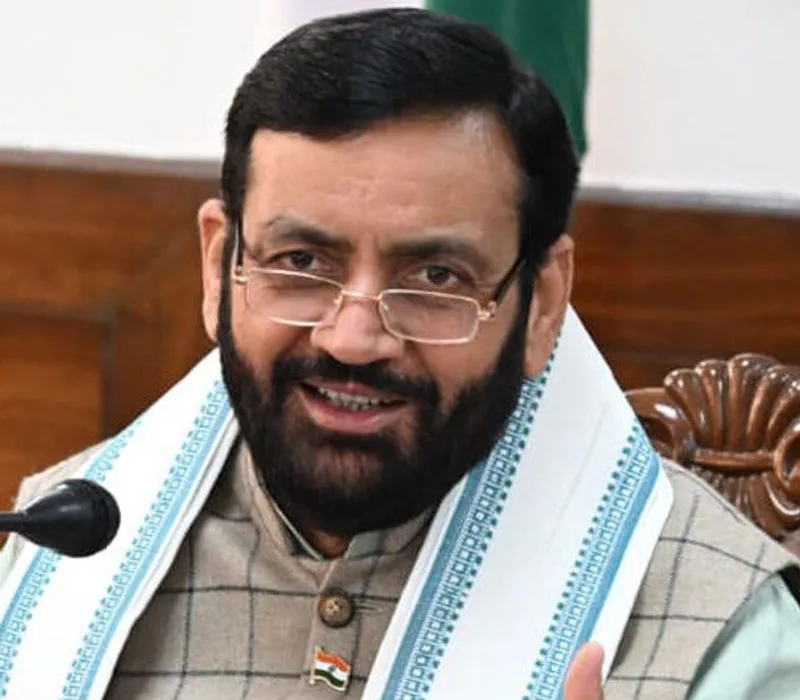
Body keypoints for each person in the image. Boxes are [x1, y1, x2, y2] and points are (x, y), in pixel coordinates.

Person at [0, 8, 796, 700]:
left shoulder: (730, 630)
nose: (353, 339)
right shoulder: (62, 546)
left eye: (435, 277)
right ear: (219, 266)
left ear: (543, 302)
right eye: (301, 262)